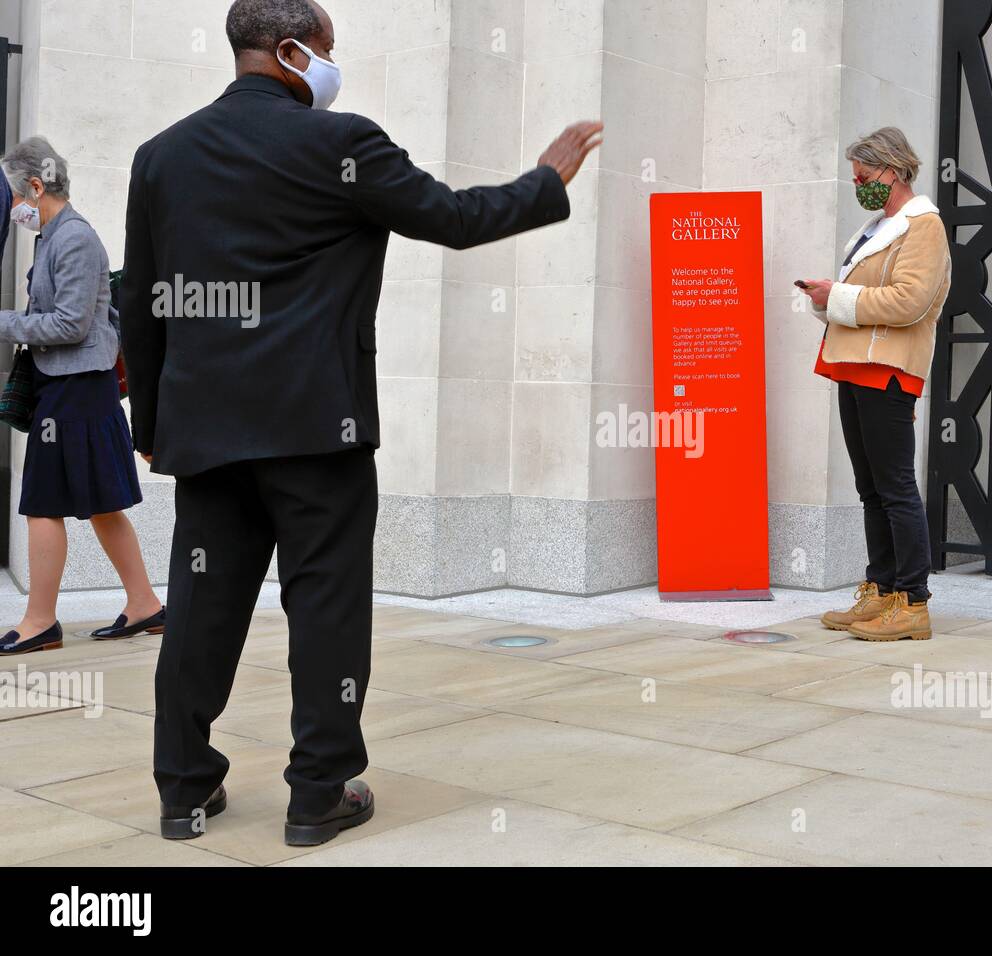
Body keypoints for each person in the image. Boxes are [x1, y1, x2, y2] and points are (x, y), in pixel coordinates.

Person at [120, 0, 601, 846]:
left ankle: (183, 790)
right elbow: (452, 218)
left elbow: (144, 299)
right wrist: (546, 181)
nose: (335, 68)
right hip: (317, 431)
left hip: (208, 433)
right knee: (326, 609)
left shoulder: (162, 158)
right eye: (329, 50)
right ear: (291, 50)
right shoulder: (340, 146)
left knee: (201, 607)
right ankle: (318, 794)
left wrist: (152, 423)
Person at [0, 136, 164, 657]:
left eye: (14, 198)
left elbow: (70, 323)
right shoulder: (53, 237)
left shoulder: (72, 238)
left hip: (76, 387)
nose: (13, 211)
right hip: (74, 386)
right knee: (101, 505)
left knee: (42, 503)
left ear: (34, 185)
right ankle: (146, 607)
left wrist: (3, 323)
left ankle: (40, 621)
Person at [801, 127, 950, 642]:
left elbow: (911, 300)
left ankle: (913, 601)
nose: (858, 183)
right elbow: (862, 296)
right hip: (852, 364)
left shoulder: (922, 226)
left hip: (886, 369)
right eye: (855, 176)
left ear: (892, 170)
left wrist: (838, 296)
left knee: (895, 487)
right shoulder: (875, 229)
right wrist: (826, 298)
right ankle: (881, 589)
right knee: (872, 490)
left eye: (864, 175)